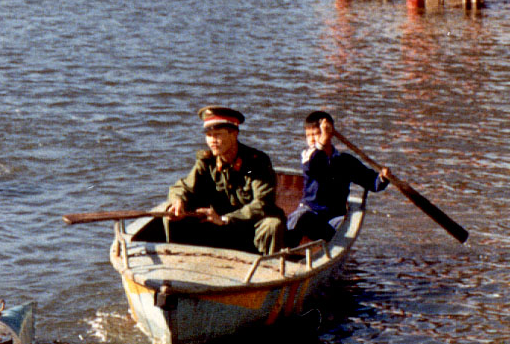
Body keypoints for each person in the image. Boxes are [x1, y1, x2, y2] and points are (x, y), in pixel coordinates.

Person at [163, 106, 286, 254]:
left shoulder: (255, 163)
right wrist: (178, 201)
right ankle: (179, 264)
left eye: (217, 135)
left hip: (248, 226)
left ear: (234, 134)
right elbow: (183, 187)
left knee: (272, 224)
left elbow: (262, 203)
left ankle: (268, 269)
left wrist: (225, 219)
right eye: (209, 135)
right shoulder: (207, 162)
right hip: (219, 227)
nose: (212, 141)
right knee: (171, 216)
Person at [286, 112, 390, 246]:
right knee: (299, 220)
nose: (312, 140)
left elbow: (372, 182)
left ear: (330, 134)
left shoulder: (345, 161)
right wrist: (322, 138)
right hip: (310, 211)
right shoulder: (308, 155)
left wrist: (382, 178)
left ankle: (327, 248)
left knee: (341, 229)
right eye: (308, 136)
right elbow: (313, 165)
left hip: (335, 217)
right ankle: (284, 254)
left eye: (316, 134)